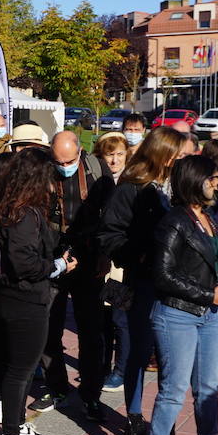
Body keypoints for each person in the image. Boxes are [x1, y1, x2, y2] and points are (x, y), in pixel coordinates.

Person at [143, 155, 218, 435]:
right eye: (211, 178)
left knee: (208, 389)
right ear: (193, 180)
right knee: (174, 389)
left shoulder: (208, 217)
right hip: (177, 315)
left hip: (212, 317)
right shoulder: (173, 222)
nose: (217, 183)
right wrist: (210, 295)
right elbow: (162, 275)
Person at [98, 126, 189, 435]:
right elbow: (110, 234)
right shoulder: (131, 187)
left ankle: (165, 422)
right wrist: (138, 253)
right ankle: (134, 417)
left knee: (171, 357)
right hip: (145, 281)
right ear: (162, 152)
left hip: (180, 285)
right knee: (139, 351)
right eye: (179, 152)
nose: (184, 158)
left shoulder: (181, 184)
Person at [0, 147, 65, 435]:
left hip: (24, 296)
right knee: (20, 369)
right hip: (24, 297)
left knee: (22, 366)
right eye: (49, 174)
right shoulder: (23, 213)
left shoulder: (22, 208)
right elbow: (25, 263)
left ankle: (18, 424)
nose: (54, 181)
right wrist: (58, 265)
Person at [35, 130, 110, 417]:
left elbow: (110, 215)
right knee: (49, 328)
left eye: (68, 160)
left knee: (90, 330)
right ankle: (57, 388)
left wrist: (104, 255)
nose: (63, 166)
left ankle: (91, 395)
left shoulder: (96, 169)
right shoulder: (42, 171)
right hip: (53, 257)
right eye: (58, 161)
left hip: (89, 257)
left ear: (80, 152)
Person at [92, 133, 130, 395]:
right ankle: (102, 367)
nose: (114, 160)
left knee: (120, 317)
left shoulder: (132, 182)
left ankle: (121, 370)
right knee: (102, 318)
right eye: (109, 154)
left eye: (119, 154)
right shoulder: (97, 180)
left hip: (121, 260)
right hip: (99, 258)